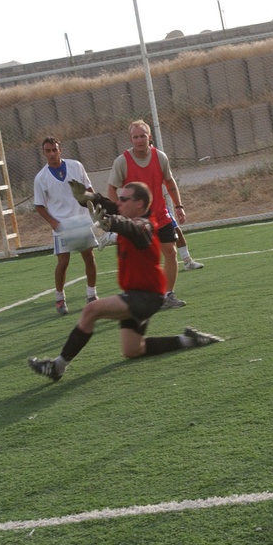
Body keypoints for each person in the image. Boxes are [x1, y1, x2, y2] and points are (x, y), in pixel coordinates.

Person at [28, 181, 222, 381]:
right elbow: (112, 208)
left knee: (90, 311)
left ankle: (57, 367)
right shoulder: (131, 215)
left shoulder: (144, 225)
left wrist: (109, 223)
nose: (118, 202)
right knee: (133, 349)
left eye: (123, 199)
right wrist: (90, 198)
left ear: (138, 204)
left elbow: (129, 226)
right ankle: (188, 340)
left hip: (145, 297)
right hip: (139, 295)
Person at [105, 120, 200, 310]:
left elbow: (170, 182)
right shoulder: (122, 161)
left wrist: (179, 206)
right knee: (138, 260)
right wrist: (121, 213)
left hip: (161, 215)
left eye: (143, 136)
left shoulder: (160, 157)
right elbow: (111, 189)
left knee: (170, 253)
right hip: (137, 221)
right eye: (135, 137)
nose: (140, 140)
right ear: (130, 139)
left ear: (150, 137)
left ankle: (167, 295)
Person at [33, 136, 99, 315]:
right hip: (62, 225)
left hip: (81, 220)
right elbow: (39, 205)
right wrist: (53, 222)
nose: (52, 153)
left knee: (89, 258)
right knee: (63, 262)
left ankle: (91, 295)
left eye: (55, 149)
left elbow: (89, 189)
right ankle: (60, 299)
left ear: (60, 150)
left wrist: (96, 207)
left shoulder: (76, 166)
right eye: (48, 151)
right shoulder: (41, 177)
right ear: (44, 153)